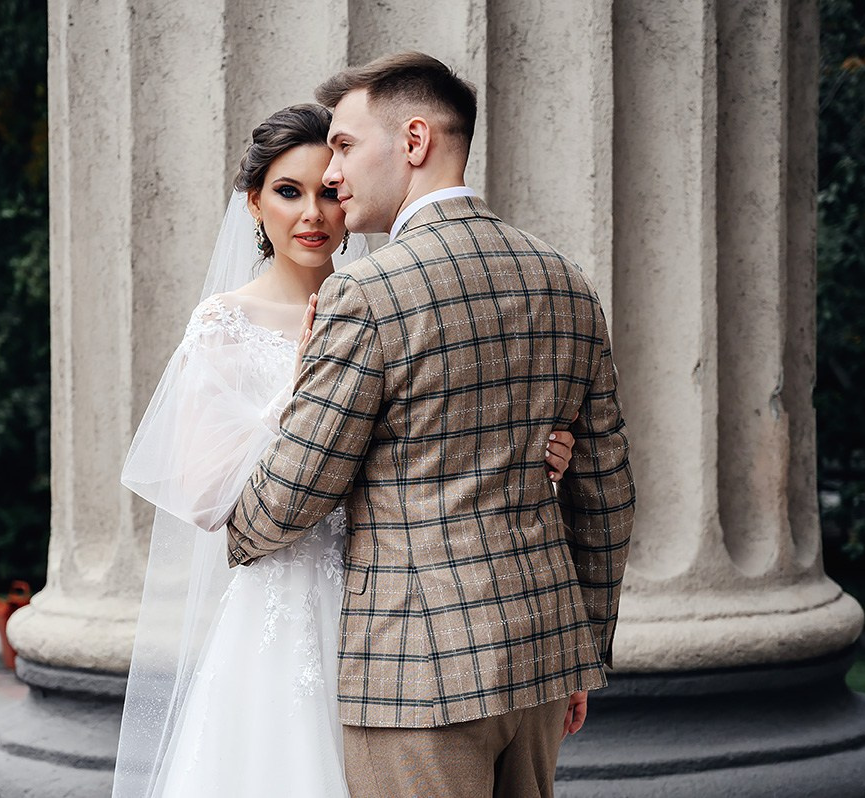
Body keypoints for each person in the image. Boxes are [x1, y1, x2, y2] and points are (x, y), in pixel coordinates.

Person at [111, 103, 576, 798]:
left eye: (328, 191)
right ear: (253, 203)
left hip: (404, 614)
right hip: (283, 605)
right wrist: (301, 391)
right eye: (288, 192)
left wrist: (533, 456)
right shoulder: (225, 323)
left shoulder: (391, 300)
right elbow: (206, 497)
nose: (313, 214)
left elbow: (445, 441)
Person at [225, 53, 636, 798]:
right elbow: (607, 494)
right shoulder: (565, 278)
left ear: (414, 142)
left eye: (346, 147)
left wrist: (234, 532)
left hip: (416, 677)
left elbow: (293, 493)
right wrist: (586, 654)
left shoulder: (367, 290)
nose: (335, 174)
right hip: (542, 664)